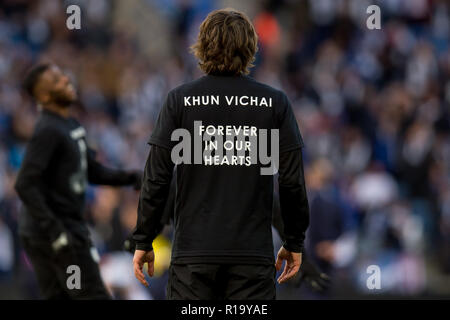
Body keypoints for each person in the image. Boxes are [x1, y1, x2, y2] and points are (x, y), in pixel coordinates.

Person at [132, 8, 310, 300]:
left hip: (193, 258)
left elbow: (156, 178)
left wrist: (144, 238)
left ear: (202, 47)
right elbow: (291, 181)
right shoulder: (274, 102)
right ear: (251, 47)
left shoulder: (180, 100)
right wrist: (294, 241)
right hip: (251, 259)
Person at [15, 63, 142, 300]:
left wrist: (132, 177)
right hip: (50, 232)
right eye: (56, 80)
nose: (65, 80)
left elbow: (92, 171)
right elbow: (24, 184)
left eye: (62, 75)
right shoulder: (48, 131)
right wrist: (55, 229)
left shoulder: (71, 126)